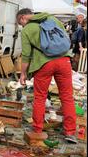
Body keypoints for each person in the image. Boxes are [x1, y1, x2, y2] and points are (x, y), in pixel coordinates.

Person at [17, 8, 78, 144]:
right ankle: (70, 132)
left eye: (20, 23)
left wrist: (23, 73)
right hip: (64, 60)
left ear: (22, 18)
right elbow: (64, 36)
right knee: (67, 97)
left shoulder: (27, 30)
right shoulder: (51, 19)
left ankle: (37, 130)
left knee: (40, 97)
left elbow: (26, 55)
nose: (21, 26)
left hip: (44, 64)